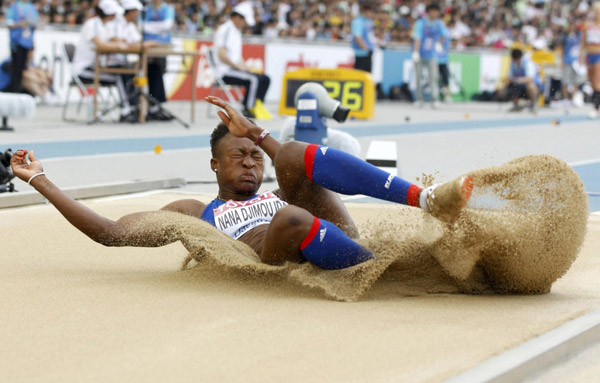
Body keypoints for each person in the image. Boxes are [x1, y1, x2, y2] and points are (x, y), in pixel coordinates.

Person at [10, 96, 474, 271]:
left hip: (334, 239)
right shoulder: (193, 214)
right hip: (278, 254)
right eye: (239, 156)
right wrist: (42, 181)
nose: (251, 164)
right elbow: (110, 234)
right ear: (214, 165)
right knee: (292, 217)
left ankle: (427, 198)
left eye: (255, 157)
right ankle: (381, 267)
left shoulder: (276, 187)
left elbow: (282, 158)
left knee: (292, 154)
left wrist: (255, 132)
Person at [71, 0, 143, 122]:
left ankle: (134, 106)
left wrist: (119, 43)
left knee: (129, 72)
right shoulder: (93, 24)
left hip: (96, 66)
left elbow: (112, 42)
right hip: (84, 69)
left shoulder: (103, 26)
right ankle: (126, 110)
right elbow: (100, 45)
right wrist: (119, 46)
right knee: (119, 76)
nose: (115, 16)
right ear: (109, 14)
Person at [213, 1, 271, 118]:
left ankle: (257, 104)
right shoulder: (225, 30)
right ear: (238, 17)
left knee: (265, 78)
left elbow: (237, 57)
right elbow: (222, 55)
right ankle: (247, 109)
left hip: (234, 69)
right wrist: (238, 67)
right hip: (225, 71)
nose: (244, 24)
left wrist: (245, 67)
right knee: (253, 80)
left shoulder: (236, 32)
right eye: (244, 21)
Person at [142, 0, 175, 121]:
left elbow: (167, 25)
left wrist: (151, 26)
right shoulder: (146, 9)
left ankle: (155, 106)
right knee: (150, 73)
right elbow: (143, 26)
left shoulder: (168, 8)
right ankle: (153, 107)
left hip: (162, 46)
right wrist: (159, 28)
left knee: (158, 72)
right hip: (146, 46)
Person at [412, 3, 445, 108]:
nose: (434, 13)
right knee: (418, 77)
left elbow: (444, 35)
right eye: (432, 11)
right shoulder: (421, 23)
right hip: (420, 53)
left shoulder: (439, 24)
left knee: (433, 78)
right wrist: (415, 52)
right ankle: (419, 99)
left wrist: (439, 44)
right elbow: (417, 38)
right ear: (428, 11)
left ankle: (435, 99)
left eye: (436, 11)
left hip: (432, 55)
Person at [6, 0, 38, 94]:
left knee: (25, 67)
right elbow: (9, 23)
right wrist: (21, 24)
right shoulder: (15, 7)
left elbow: (36, 23)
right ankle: (14, 90)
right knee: (16, 67)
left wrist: (31, 23)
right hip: (17, 42)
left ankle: (21, 90)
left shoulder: (31, 7)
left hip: (27, 42)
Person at [500, 48, 541, 113]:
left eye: (517, 59)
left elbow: (530, 78)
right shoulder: (512, 63)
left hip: (534, 86)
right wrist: (502, 87)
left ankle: (533, 105)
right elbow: (509, 77)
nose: (516, 61)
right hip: (520, 85)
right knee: (510, 85)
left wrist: (517, 80)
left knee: (530, 85)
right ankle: (516, 105)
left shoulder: (528, 63)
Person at [580, 2, 600, 118]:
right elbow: (583, 42)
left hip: (599, 55)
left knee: (597, 82)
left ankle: (596, 107)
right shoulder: (587, 25)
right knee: (592, 82)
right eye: (595, 11)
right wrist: (581, 56)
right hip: (589, 55)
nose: (597, 14)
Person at [560, 22, 582, 105]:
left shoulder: (578, 35)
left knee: (575, 81)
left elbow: (581, 48)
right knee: (565, 81)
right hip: (567, 60)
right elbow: (562, 49)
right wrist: (562, 61)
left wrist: (581, 60)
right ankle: (566, 99)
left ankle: (573, 98)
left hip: (575, 62)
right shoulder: (565, 36)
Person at [351, 2, 375, 73]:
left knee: (368, 75)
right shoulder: (358, 21)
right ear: (363, 11)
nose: (370, 13)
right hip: (361, 53)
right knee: (360, 75)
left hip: (368, 52)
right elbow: (357, 37)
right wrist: (366, 48)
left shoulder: (369, 21)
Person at [438, 22, 451, 102]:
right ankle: (434, 96)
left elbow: (443, 40)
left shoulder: (445, 31)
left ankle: (447, 96)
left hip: (443, 60)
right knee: (433, 79)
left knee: (445, 79)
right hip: (433, 59)